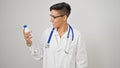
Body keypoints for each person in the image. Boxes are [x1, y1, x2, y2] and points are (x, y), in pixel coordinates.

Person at [23, 2, 88, 68]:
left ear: (64, 18)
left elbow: (82, 63)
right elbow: (39, 55)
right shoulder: (47, 34)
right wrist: (29, 43)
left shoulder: (77, 36)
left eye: (54, 17)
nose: (51, 20)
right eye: (51, 16)